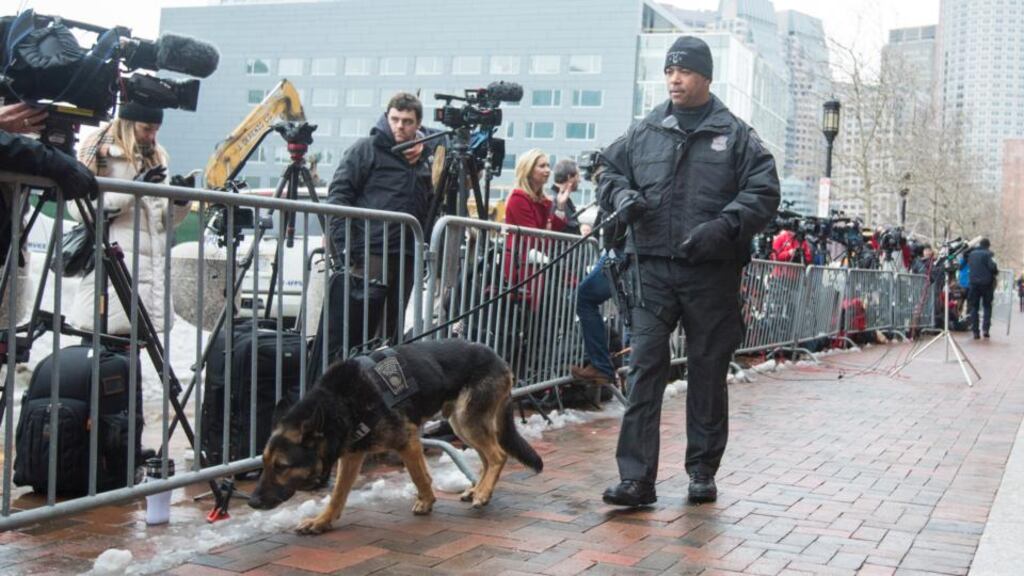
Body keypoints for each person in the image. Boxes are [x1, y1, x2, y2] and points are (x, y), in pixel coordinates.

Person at [598, 36, 780, 506]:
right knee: (644, 372)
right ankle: (637, 480)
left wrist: (722, 228)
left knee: (707, 371)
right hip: (651, 272)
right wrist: (622, 198)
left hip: (710, 273)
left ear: (705, 76)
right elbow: (608, 172)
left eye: (684, 71)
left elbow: (763, 192)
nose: (675, 79)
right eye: (669, 71)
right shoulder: (645, 130)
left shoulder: (735, 134)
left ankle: (702, 470)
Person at [70, 102, 189, 336]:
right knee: (104, 340)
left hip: (148, 267)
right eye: (146, 128)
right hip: (112, 261)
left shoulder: (157, 157)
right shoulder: (101, 152)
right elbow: (80, 209)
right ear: (128, 124)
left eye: (156, 129)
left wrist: (180, 201)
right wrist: (136, 188)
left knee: (133, 350)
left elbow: (164, 221)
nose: (152, 135)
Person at [328, 92, 437, 343]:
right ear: (386, 117)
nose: (400, 125)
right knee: (358, 327)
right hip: (371, 251)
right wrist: (346, 249)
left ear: (418, 124)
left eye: (407, 121)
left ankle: (384, 379)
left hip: (407, 252)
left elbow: (451, 137)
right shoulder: (366, 149)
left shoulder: (422, 156)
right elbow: (338, 197)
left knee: (391, 329)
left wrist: (425, 143)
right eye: (395, 118)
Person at [502, 149, 568, 310]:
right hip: (521, 261)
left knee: (533, 309)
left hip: (532, 260)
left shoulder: (542, 200)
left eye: (548, 165)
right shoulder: (519, 198)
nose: (547, 170)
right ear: (529, 170)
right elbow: (535, 235)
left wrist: (560, 206)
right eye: (542, 166)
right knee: (524, 308)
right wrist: (547, 234)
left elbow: (549, 231)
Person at [966, 238, 998, 339]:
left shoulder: (972, 254)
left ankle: (975, 331)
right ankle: (985, 329)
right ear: (988, 245)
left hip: (973, 283)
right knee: (987, 306)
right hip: (986, 284)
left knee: (974, 307)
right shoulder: (988, 254)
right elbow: (993, 267)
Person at [550, 159, 581, 235]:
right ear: (569, 177)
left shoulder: (565, 201)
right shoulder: (553, 201)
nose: (580, 180)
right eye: (578, 176)